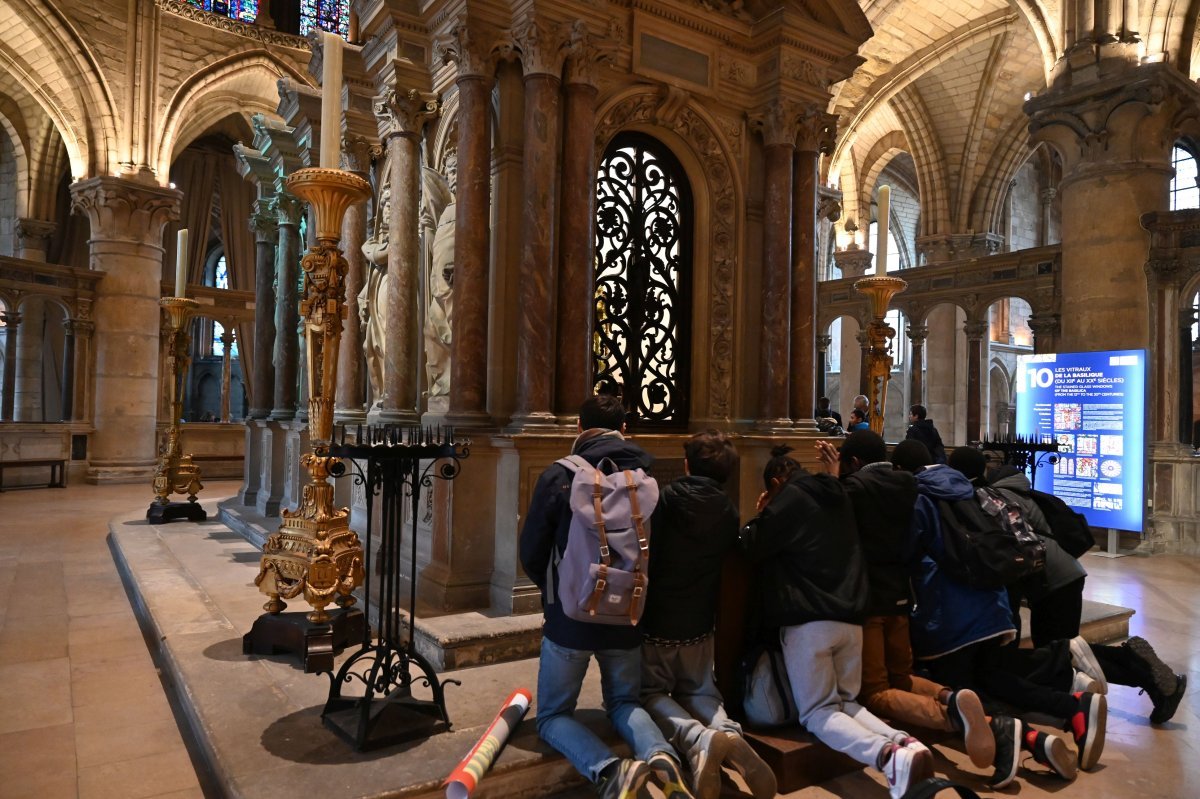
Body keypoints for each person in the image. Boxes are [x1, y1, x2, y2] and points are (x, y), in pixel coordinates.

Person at [892, 440, 1104, 782]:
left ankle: (1027, 737)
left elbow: (905, 556)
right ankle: (1072, 706)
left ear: (901, 470)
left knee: (961, 697)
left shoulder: (919, 499)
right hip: (993, 604)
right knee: (992, 677)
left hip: (951, 618)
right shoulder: (975, 491)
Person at [519, 394, 695, 799]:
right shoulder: (647, 481)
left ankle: (611, 771)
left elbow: (532, 550)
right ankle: (661, 755)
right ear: (625, 430)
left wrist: (555, 595)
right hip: (627, 614)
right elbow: (660, 552)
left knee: (552, 716)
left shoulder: (558, 476)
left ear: (579, 428)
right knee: (623, 702)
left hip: (571, 619)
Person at [741, 445, 934, 799]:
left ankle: (888, 757)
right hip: (852, 617)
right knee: (848, 703)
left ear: (775, 481)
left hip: (810, 621)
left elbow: (752, 545)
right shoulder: (838, 493)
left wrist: (761, 514)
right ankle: (906, 744)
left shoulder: (791, 497)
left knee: (818, 713)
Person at [959, 456, 1188, 725]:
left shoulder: (992, 500)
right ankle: (1138, 668)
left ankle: (1147, 673)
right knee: (1060, 651)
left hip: (1052, 581)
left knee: (1063, 653)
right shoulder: (1022, 493)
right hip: (1063, 575)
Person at [814, 432, 995, 772]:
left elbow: (829, 518)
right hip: (900, 594)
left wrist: (832, 475)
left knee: (876, 692)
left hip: (868, 599)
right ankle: (950, 695)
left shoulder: (853, 490)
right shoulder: (908, 485)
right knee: (903, 674)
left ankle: (952, 716)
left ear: (854, 462)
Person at [639, 431, 776, 799]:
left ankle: (698, 738)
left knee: (649, 692)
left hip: (658, 621)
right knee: (701, 690)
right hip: (700, 621)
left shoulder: (666, 500)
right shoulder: (728, 512)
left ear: (687, 465)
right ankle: (728, 734)